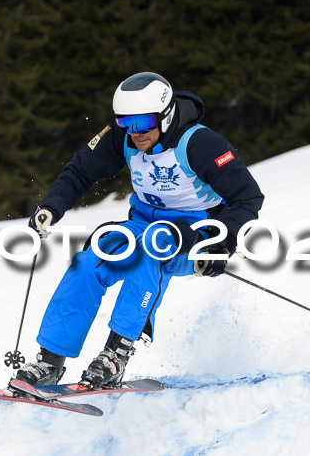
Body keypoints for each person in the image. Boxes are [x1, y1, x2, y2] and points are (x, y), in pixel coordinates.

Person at [16, 72, 264, 390]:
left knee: (153, 248)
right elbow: (80, 171)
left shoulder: (200, 143)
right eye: (125, 123)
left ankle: (115, 355)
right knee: (89, 262)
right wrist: (52, 206)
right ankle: (49, 361)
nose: (135, 133)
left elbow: (247, 198)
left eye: (143, 123)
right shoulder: (125, 135)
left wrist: (221, 243)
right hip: (142, 223)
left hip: (194, 234)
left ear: (166, 114)